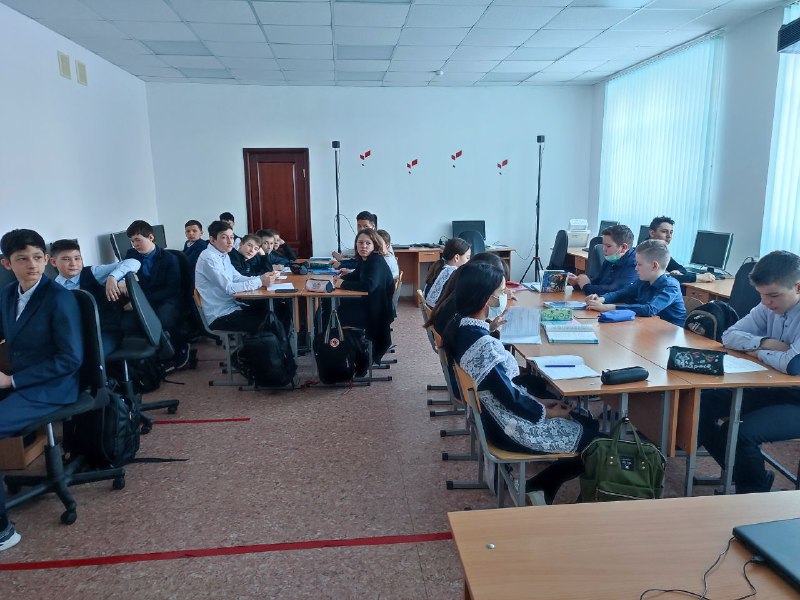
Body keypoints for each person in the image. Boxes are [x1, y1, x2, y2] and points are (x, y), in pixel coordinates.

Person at [442, 262, 599, 505]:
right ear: (487, 299)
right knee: (596, 443)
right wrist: (545, 411)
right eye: (502, 292)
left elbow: (501, 389)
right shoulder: (482, 345)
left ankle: (541, 487)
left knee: (587, 422)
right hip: (509, 429)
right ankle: (548, 490)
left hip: (496, 420)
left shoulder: (463, 328)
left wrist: (539, 401)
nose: (505, 295)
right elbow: (508, 397)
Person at [0, 229, 84, 552]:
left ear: (46, 260)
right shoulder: (8, 294)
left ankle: (3, 531)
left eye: (37, 258)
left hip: (53, 387)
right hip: (21, 378)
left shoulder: (58, 298)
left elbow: (70, 359)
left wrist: (12, 381)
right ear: (7, 264)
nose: (32, 265)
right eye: (22, 259)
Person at [698, 250, 800, 494]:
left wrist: (757, 352)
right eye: (761, 295)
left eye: (773, 295)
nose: (766, 302)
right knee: (700, 405)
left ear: (798, 287)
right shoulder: (768, 305)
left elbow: (793, 364)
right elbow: (729, 336)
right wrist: (765, 343)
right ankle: (749, 474)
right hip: (774, 387)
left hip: (796, 398)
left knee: (740, 433)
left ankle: (752, 491)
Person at [50, 239, 141, 356]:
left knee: (89, 355)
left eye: (77, 258)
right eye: (66, 259)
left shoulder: (93, 273)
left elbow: (133, 262)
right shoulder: (53, 287)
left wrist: (113, 277)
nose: (73, 263)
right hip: (75, 335)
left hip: (104, 332)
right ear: (53, 262)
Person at [124, 220, 189, 369]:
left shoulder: (169, 259)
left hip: (167, 298)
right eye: (132, 241)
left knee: (162, 319)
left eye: (138, 240)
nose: (135, 245)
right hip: (145, 298)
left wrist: (140, 303)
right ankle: (146, 359)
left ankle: (180, 349)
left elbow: (171, 289)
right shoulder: (131, 255)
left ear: (151, 237)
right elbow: (124, 272)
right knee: (127, 322)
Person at [195, 220, 276, 334]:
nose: (230, 242)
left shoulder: (223, 255)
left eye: (232, 237)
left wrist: (261, 278)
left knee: (272, 311)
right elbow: (229, 288)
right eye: (224, 237)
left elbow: (237, 277)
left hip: (232, 306)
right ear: (212, 240)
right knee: (266, 323)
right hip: (220, 314)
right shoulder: (209, 258)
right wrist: (260, 281)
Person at [584, 239, 686, 326]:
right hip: (648, 326)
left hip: (671, 333)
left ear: (654, 266)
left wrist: (607, 308)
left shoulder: (671, 286)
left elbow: (649, 309)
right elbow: (621, 293)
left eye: (639, 264)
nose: (636, 268)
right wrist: (602, 299)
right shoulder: (643, 281)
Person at [333, 228, 395, 361]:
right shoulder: (366, 260)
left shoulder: (376, 261)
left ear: (374, 245)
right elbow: (356, 275)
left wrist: (342, 284)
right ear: (356, 244)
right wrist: (339, 279)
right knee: (338, 307)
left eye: (368, 243)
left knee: (337, 313)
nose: (364, 246)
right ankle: (347, 349)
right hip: (371, 305)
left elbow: (369, 285)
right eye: (360, 243)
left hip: (376, 312)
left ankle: (352, 352)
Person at [567, 224, 638, 296]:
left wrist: (586, 286)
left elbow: (614, 291)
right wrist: (578, 282)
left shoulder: (635, 263)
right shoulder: (611, 259)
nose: (604, 249)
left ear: (623, 247)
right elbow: (598, 282)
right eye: (603, 245)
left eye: (608, 246)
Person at [648, 216, 715, 283]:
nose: (669, 236)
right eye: (664, 232)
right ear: (652, 233)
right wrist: (698, 277)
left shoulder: (660, 251)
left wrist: (678, 271)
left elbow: (680, 268)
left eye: (671, 232)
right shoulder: (645, 252)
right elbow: (660, 278)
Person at [424, 237, 470, 308]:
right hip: (439, 312)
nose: (469, 261)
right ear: (456, 257)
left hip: (431, 310)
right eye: (467, 257)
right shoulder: (454, 273)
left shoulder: (440, 267)